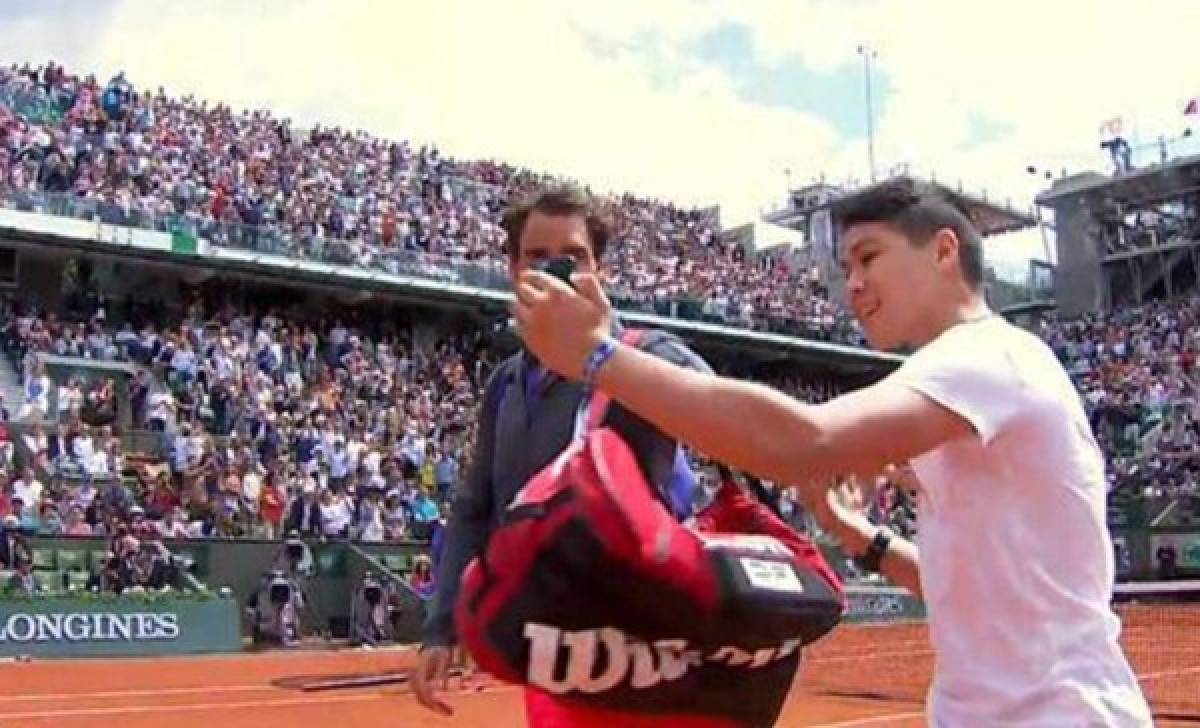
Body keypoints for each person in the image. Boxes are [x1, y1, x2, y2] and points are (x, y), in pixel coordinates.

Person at [512, 177, 1153, 727]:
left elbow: (803, 443)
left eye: (868, 257)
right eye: (845, 268)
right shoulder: (973, 382)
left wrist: (600, 358)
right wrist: (861, 537)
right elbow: (965, 588)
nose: (852, 284)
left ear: (944, 250)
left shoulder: (985, 357)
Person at [413, 186, 715, 725]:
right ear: (512, 270)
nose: (554, 269)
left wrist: (606, 355)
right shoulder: (506, 385)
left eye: (573, 257)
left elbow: (725, 414)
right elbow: (474, 507)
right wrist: (442, 626)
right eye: (536, 257)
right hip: (556, 648)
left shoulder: (648, 354)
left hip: (650, 651)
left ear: (600, 270)